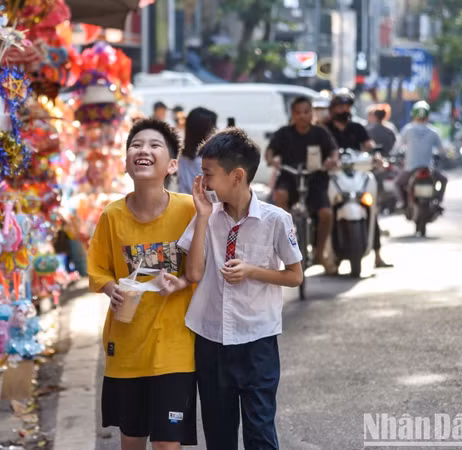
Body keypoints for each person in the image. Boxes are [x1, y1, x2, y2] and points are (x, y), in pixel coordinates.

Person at [179, 127, 303, 450]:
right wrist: (203, 216)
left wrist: (253, 271)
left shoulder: (276, 220)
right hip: (212, 341)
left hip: (257, 341)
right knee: (219, 436)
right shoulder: (206, 216)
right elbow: (192, 274)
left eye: (208, 174)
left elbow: (295, 276)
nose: (202, 181)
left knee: (260, 433)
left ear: (236, 176)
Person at [88, 119, 198, 450]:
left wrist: (180, 283)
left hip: (175, 351)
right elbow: (98, 270)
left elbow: (204, 269)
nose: (143, 150)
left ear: (172, 164)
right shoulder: (112, 215)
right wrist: (111, 289)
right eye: (136, 145)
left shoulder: (190, 210)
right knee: (132, 442)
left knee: (167, 444)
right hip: (126, 351)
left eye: (154, 145)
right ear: (125, 161)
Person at [266, 96, 338, 272]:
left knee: (326, 214)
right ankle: (287, 238)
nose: (302, 116)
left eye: (306, 112)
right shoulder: (284, 133)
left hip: (315, 179)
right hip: (289, 178)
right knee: (280, 196)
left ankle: (320, 253)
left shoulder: (320, 133)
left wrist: (331, 161)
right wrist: (272, 160)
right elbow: (270, 151)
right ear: (292, 114)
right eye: (298, 113)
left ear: (311, 113)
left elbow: (333, 151)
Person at [325, 91, 393, 268]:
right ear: (332, 109)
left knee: (371, 209)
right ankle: (323, 253)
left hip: (356, 175)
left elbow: (369, 146)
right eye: (340, 106)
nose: (343, 109)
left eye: (346, 106)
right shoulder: (324, 129)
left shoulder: (358, 128)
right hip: (332, 176)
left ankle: (378, 255)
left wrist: (377, 157)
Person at [396, 101, 448, 209]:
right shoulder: (433, 131)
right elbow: (442, 150)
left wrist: (396, 155)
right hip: (428, 168)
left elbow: (397, 147)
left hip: (410, 168)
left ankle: (402, 202)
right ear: (427, 116)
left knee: (397, 183)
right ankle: (438, 201)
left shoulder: (408, 129)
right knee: (444, 179)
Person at [178, 107, 218, 194]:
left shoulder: (181, 157)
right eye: (213, 129)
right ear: (202, 132)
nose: (216, 132)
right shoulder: (207, 160)